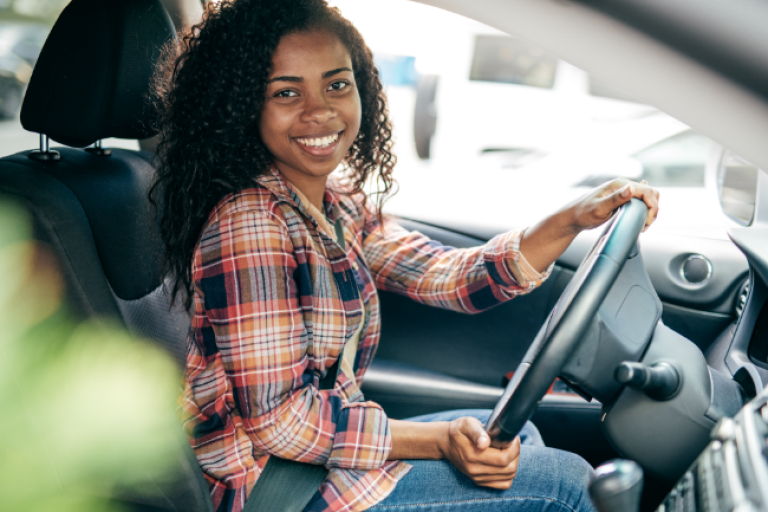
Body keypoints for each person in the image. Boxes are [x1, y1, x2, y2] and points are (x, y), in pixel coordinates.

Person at [150, 1, 660, 511]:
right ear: (243, 106)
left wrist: (571, 219)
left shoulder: (334, 203)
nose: (320, 110)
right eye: (286, 92)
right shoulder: (251, 224)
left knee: (512, 433)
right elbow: (280, 423)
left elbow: (448, 276)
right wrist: (438, 443)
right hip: (274, 490)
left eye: (336, 84)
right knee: (568, 485)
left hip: (317, 463)